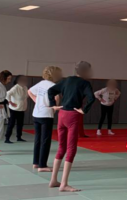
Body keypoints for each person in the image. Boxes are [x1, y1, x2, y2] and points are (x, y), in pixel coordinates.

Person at [47, 61, 95, 192]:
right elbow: (91, 98)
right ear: (86, 71)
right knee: (71, 148)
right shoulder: (85, 83)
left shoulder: (67, 80)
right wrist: (84, 110)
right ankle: (64, 183)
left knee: (61, 147)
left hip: (62, 114)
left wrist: (53, 105)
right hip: (73, 115)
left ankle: (53, 180)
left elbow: (51, 91)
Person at [29, 66, 63, 172]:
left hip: (36, 114)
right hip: (46, 114)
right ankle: (42, 165)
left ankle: (36, 162)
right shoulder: (53, 86)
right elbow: (56, 98)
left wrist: (37, 101)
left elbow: (29, 91)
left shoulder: (41, 83)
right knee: (45, 140)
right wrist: (54, 108)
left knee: (38, 139)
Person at [4, 75, 29, 144]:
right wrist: (10, 102)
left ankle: (19, 137)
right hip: (14, 109)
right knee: (11, 124)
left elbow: (26, 96)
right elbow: (7, 94)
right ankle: (7, 138)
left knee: (20, 124)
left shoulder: (25, 87)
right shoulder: (15, 88)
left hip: (21, 109)